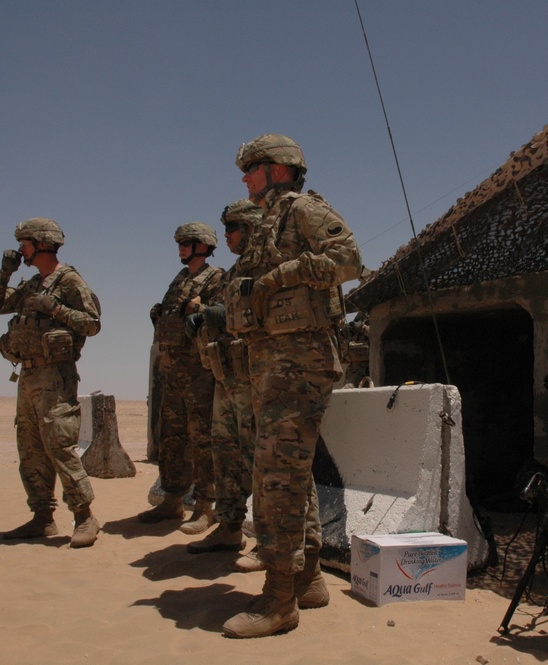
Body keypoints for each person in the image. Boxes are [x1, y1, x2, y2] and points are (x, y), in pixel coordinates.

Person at [220, 134, 362, 638]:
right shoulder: (270, 221)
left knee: (275, 477)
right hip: (273, 362)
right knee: (289, 475)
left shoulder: (303, 209)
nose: (244, 177)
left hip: (298, 364)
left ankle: (278, 601)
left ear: (278, 168)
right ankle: (308, 579)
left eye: (252, 167)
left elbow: (348, 260)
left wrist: (282, 274)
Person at [0, 218, 102, 548]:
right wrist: (5, 273)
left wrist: (55, 307)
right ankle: (42, 517)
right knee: (31, 447)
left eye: (24, 243)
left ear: (41, 243)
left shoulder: (68, 281)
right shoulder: (30, 284)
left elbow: (91, 323)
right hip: (28, 374)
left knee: (59, 445)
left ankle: (84, 517)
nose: (20, 249)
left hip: (55, 376)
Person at [184, 200, 261, 558]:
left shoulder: (266, 267)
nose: (226, 236)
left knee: (261, 461)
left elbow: (261, 313)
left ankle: (271, 543)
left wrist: (215, 313)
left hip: (255, 381)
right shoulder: (233, 273)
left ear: (249, 228)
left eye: (231, 229)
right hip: (228, 377)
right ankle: (229, 528)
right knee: (225, 459)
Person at [139, 223, 224, 534]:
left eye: (186, 243)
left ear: (203, 245)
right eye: (180, 243)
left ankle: (204, 507)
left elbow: (222, 316)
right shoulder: (180, 280)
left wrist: (200, 312)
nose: (181, 248)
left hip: (200, 370)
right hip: (173, 369)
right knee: (172, 438)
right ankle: (172, 499)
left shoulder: (216, 278)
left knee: (202, 439)